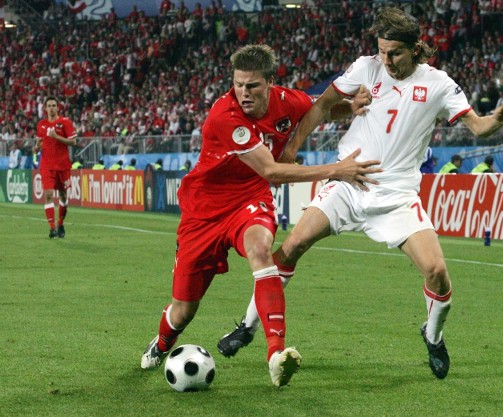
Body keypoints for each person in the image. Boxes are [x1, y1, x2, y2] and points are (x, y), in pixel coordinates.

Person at [217, 8, 503, 381]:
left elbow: (478, 126)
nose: (386, 60)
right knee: (291, 246)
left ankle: (433, 335)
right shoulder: (366, 67)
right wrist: (294, 146)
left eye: (394, 53)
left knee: (437, 271)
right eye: (381, 51)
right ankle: (248, 327)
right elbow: (322, 105)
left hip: (396, 194)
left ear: (414, 49)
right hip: (348, 180)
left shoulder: (439, 84)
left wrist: (497, 121)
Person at [140, 44, 381, 388]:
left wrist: (349, 108)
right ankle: (162, 343)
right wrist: (337, 170)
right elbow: (271, 170)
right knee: (184, 309)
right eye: (238, 84)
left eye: (252, 85)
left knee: (260, 251)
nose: (243, 93)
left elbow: (318, 110)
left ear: (270, 82)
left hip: (249, 200)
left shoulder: (288, 101)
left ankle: (276, 354)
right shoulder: (226, 116)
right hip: (204, 212)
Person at [34, 96, 77, 238]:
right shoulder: (41, 124)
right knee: (48, 194)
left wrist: (56, 137)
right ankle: (52, 228)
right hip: (47, 165)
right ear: (45, 108)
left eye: (54, 105)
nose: (51, 108)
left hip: (63, 165)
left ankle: (60, 223)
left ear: (58, 108)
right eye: (49, 106)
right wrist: (36, 148)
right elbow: (41, 142)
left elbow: (73, 142)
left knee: (63, 196)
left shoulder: (65, 122)